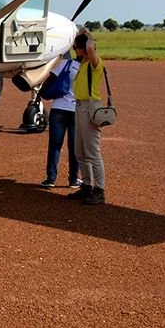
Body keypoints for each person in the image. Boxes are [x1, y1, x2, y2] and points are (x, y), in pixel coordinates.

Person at [67, 29, 106, 205]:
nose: (74, 50)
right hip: (79, 106)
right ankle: (87, 185)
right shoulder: (82, 64)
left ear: (84, 49)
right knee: (80, 151)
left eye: (76, 47)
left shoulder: (94, 63)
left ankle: (99, 189)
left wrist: (89, 36)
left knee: (92, 152)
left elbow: (91, 48)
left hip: (90, 107)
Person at [40, 54, 82, 189]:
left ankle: (51, 178)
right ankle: (73, 179)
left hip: (58, 108)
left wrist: (39, 96)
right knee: (74, 147)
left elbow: (49, 80)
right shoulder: (89, 68)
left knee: (55, 145)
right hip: (76, 110)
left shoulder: (66, 64)